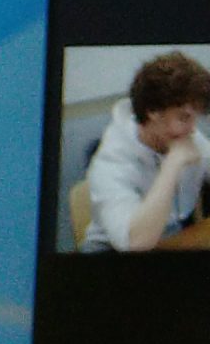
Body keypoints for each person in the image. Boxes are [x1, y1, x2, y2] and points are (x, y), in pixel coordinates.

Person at [81, 52, 210, 252]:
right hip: (113, 251)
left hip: (170, 238)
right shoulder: (110, 164)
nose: (192, 129)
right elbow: (137, 243)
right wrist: (172, 165)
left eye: (194, 118)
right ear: (153, 112)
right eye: (184, 118)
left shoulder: (182, 134)